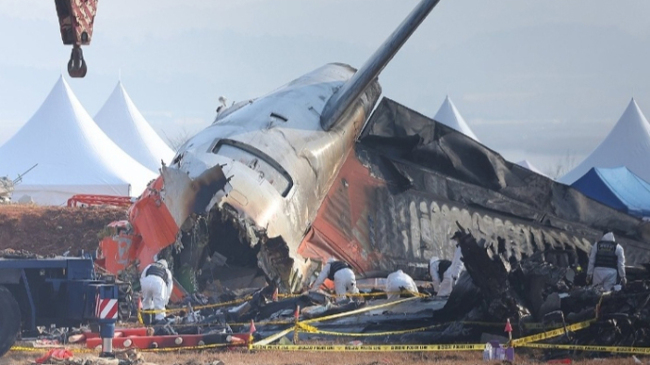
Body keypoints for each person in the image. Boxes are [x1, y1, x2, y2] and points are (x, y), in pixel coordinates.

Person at [430, 232, 465, 297]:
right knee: (448, 294)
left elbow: (459, 264)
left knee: (441, 295)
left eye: (456, 239)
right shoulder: (459, 248)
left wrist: (436, 290)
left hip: (451, 275)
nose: (455, 240)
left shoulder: (462, 249)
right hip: (451, 273)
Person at [140, 259, 173, 324]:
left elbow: (142, 277)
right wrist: (166, 300)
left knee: (146, 302)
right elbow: (169, 285)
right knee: (159, 307)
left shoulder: (149, 266)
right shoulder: (166, 270)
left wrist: (143, 291)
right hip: (159, 283)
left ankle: (147, 323)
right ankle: (159, 325)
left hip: (146, 281)